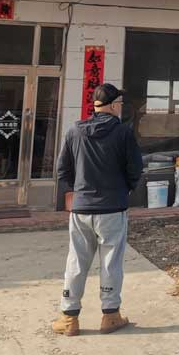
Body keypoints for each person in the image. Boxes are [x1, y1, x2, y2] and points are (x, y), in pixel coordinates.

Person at [52, 83, 143, 337]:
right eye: (119, 104)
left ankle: (69, 318)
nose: (121, 108)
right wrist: (124, 189)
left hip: (81, 209)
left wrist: (80, 191)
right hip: (113, 208)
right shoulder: (123, 133)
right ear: (112, 106)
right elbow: (135, 169)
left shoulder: (74, 131)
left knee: (76, 260)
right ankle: (110, 315)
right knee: (111, 261)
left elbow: (62, 170)